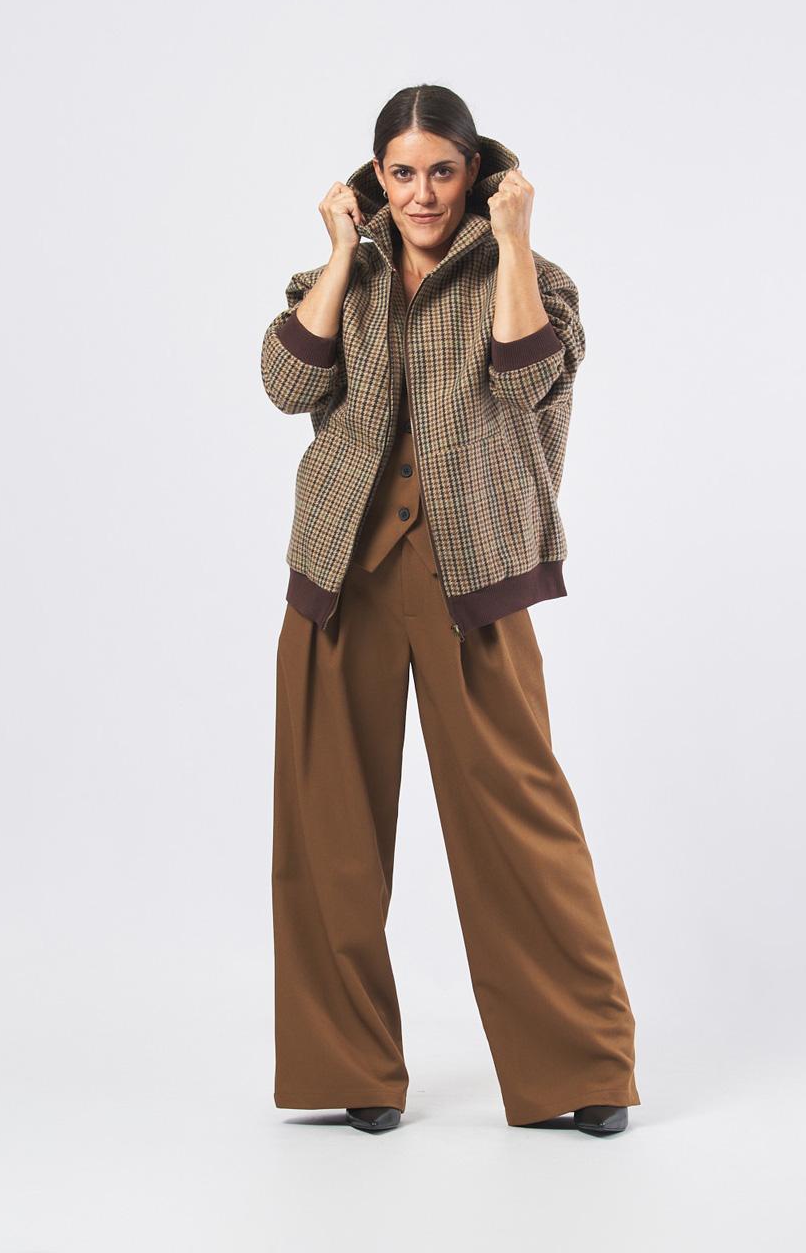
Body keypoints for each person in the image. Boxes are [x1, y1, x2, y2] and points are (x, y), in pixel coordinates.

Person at [260, 84, 641, 1136]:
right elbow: (287, 384)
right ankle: (349, 1068)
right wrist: (341, 253)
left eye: (441, 170)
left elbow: (528, 381)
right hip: (340, 570)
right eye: (401, 172)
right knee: (327, 829)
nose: (421, 193)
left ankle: (581, 1067)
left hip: (473, 575)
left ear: (476, 173)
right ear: (374, 178)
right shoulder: (342, 275)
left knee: (517, 820)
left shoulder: (533, 277)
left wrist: (513, 241)